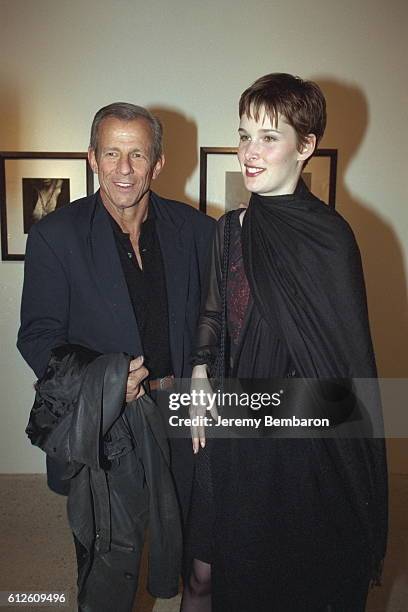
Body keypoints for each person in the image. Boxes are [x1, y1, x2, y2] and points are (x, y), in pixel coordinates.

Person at [182, 74, 388, 611]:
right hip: (228, 424)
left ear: (306, 146)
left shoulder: (331, 238)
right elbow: (211, 314)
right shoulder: (229, 229)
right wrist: (200, 372)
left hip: (296, 447)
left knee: (273, 581)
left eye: (268, 137)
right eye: (244, 134)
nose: (249, 152)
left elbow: (343, 364)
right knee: (202, 574)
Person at [17, 102, 215, 611]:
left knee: (197, 545)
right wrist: (103, 379)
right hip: (110, 423)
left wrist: (206, 374)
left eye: (137, 154)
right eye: (111, 153)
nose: (124, 169)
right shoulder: (55, 236)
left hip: (180, 416)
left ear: (158, 162)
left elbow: (215, 324)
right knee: (109, 561)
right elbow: (37, 336)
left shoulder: (197, 232)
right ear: (91, 157)